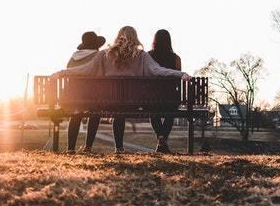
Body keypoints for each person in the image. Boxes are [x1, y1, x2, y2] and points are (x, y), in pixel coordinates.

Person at [55, 26, 190, 152]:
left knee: (117, 108)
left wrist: (62, 72)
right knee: (121, 109)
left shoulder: (104, 54)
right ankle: (119, 149)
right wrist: (180, 74)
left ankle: (117, 148)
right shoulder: (141, 56)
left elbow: (85, 70)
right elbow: (158, 71)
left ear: (118, 37)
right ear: (135, 38)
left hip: (107, 103)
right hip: (133, 104)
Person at [66, 31, 105, 153]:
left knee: (76, 114)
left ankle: (70, 148)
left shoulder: (74, 56)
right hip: (93, 97)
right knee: (95, 114)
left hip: (74, 97)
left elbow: (68, 71)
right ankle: (88, 147)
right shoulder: (99, 56)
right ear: (96, 44)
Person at [147, 29, 182, 153]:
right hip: (171, 97)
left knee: (153, 112)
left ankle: (161, 137)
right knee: (170, 114)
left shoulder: (148, 56)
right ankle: (163, 139)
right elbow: (178, 79)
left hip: (152, 97)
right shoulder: (176, 58)